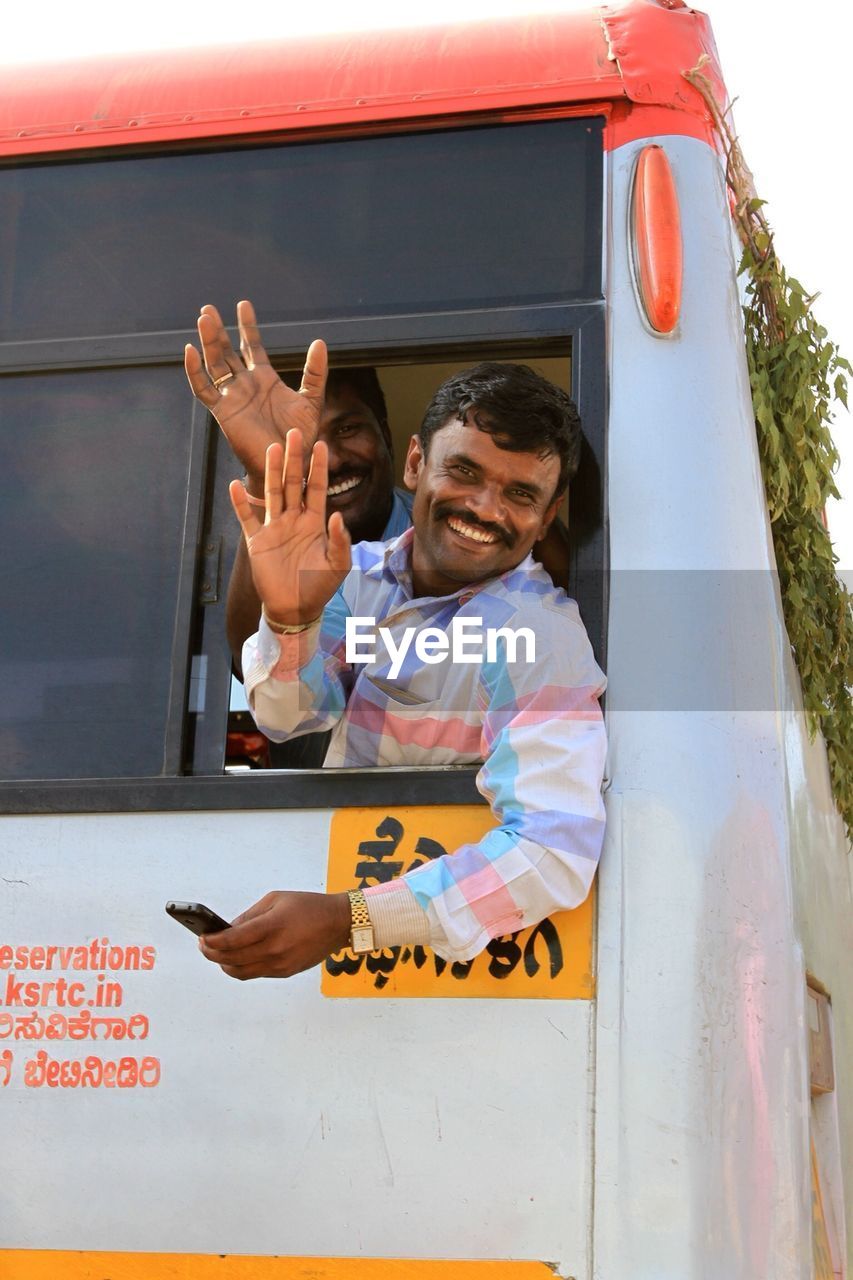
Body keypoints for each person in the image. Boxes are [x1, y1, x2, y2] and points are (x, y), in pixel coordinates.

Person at [184, 313, 607, 982]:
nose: (484, 509)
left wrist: (349, 920)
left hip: (453, 981)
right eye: (464, 471)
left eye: (520, 494)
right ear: (416, 462)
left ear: (545, 518)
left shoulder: (537, 635)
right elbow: (289, 717)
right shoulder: (354, 577)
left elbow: (554, 849)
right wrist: (292, 621)